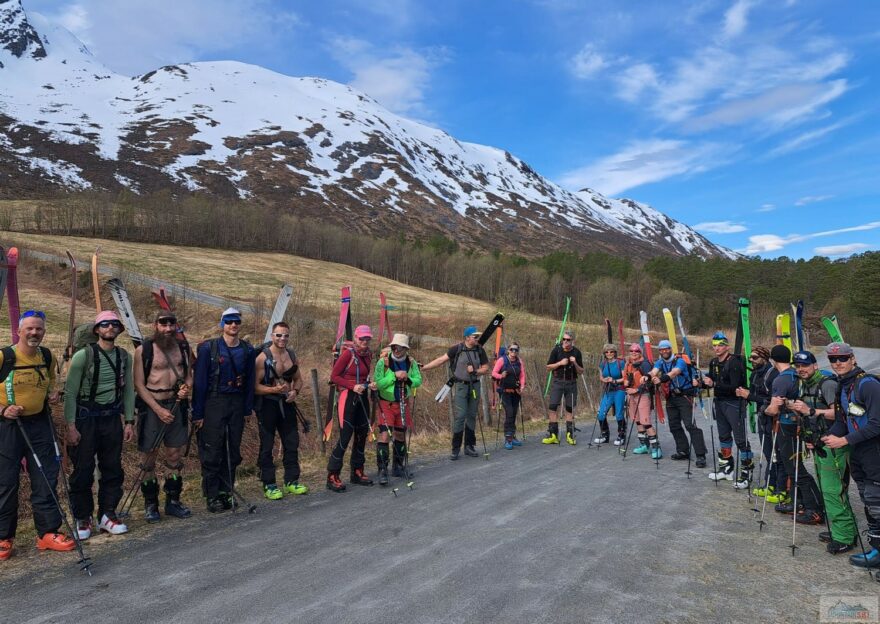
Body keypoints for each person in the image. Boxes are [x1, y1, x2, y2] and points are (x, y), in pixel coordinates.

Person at [0, 310, 75, 560]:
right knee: (6, 482)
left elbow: (50, 382)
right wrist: (3, 409)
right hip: (8, 426)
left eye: (39, 329)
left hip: (40, 423)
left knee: (46, 476)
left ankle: (47, 533)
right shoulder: (4, 357)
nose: (34, 333)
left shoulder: (46, 355)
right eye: (30, 328)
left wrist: (52, 395)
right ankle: (3, 537)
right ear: (19, 331)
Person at [64, 311, 135, 538]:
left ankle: (107, 515)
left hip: (111, 419)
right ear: (97, 329)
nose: (110, 328)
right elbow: (70, 392)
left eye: (115, 324)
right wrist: (70, 425)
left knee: (112, 468)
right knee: (83, 469)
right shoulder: (83, 356)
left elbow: (128, 391)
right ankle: (82, 518)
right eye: (105, 324)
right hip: (86, 418)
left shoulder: (124, 357)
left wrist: (129, 421)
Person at [821, 343, 880, 570]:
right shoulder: (843, 386)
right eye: (833, 359)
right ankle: (876, 550)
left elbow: (877, 424)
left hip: (874, 450)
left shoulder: (868, 384)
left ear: (852, 359)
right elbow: (842, 421)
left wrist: (844, 441)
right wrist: (825, 438)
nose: (838, 363)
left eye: (843, 358)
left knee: (877, 502)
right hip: (859, 452)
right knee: (868, 500)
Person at [790, 350, 855, 550]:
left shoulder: (827, 384)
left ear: (815, 366)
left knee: (834, 490)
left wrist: (809, 411)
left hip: (834, 444)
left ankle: (844, 538)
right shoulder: (806, 385)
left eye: (805, 365)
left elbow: (840, 413)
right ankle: (839, 530)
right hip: (819, 444)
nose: (801, 369)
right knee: (828, 489)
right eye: (798, 366)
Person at [192, 308, 255, 512]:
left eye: (236, 322)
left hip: (236, 402)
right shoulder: (208, 349)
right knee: (212, 449)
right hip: (214, 402)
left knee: (232, 450)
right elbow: (200, 382)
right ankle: (212, 495)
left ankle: (225, 492)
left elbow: (250, 381)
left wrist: (247, 409)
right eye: (228, 322)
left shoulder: (247, 350)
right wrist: (198, 413)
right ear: (222, 325)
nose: (233, 325)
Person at [132, 311, 193, 522]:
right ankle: (150, 504)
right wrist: (158, 410)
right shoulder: (144, 350)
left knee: (174, 455)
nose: (168, 328)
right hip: (152, 407)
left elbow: (188, 376)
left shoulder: (183, 348)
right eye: (163, 324)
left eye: (171, 324)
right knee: (148, 457)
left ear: (176, 326)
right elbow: (138, 384)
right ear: (155, 325)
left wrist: (186, 388)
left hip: (177, 405)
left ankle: (173, 502)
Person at [764, 345, 824, 523]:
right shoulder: (794, 375)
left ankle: (814, 508)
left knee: (795, 468)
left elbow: (773, 409)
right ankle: (798, 501)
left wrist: (765, 410)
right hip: (795, 424)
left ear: (773, 360)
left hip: (787, 426)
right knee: (793, 467)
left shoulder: (780, 379)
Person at [254, 322, 308, 500]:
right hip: (268, 405)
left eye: (285, 335)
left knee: (291, 443)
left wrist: (295, 392)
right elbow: (254, 387)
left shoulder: (291, 355)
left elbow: (298, 379)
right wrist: (273, 390)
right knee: (267, 445)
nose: (282, 339)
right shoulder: (262, 357)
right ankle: (269, 483)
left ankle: (291, 481)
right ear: (272, 336)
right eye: (278, 335)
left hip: (287, 405)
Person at [422, 325, 489, 459]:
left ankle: (469, 446)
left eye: (478, 337)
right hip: (460, 386)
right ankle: (456, 448)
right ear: (467, 337)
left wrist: (475, 371)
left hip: (474, 385)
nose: (477, 339)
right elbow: (441, 360)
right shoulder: (456, 349)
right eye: (475, 337)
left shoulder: (480, 350)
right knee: (461, 415)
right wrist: (425, 367)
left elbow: (485, 368)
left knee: (471, 415)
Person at [326, 324, 375, 490]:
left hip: (362, 397)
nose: (365, 341)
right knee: (345, 436)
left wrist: (370, 384)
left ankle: (357, 471)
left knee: (362, 435)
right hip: (348, 397)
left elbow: (364, 376)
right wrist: (352, 386)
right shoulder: (348, 354)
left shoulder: (368, 355)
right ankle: (332, 475)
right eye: (362, 338)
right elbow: (334, 376)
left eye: (368, 338)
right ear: (355, 338)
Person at [702, 332, 750, 486]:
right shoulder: (714, 362)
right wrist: (702, 383)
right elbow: (711, 380)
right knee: (723, 437)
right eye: (714, 345)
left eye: (720, 345)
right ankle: (726, 469)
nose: (717, 348)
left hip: (734, 403)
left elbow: (735, 387)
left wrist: (714, 384)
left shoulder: (734, 362)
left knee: (740, 439)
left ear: (727, 346)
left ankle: (746, 473)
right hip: (719, 402)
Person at [736, 347, 785, 500]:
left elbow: (773, 400)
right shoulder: (756, 373)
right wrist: (744, 394)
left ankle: (780, 488)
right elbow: (754, 394)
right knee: (767, 452)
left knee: (775, 454)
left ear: (764, 358)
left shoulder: (772, 374)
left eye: (755, 357)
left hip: (773, 418)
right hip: (762, 416)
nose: (752, 360)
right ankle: (769, 484)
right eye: (750, 357)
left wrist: (749, 395)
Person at [650, 339, 707, 468]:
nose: (664, 351)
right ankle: (683, 451)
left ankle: (701, 455)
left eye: (666, 349)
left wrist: (660, 379)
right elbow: (654, 371)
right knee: (674, 425)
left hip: (685, 396)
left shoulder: (679, 361)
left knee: (690, 425)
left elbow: (674, 373)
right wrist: (647, 377)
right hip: (671, 397)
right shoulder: (660, 362)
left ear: (670, 349)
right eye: (661, 350)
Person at [374, 333, 422, 484]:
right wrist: (394, 376)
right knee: (384, 435)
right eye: (394, 346)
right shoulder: (383, 362)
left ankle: (398, 467)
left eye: (400, 347)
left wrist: (407, 378)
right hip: (385, 403)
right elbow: (378, 383)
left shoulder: (411, 362)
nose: (396, 350)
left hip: (402, 402)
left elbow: (418, 381)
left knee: (400, 435)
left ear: (406, 349)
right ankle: (382, 470)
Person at [543, 331, 583, 445]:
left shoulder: (577, 352)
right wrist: (560, 363)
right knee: (552, 408)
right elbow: (548, 367)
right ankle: (553, 435)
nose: (565, 341)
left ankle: (569, 435)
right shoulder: (556, 350)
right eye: (563, 339)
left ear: (572, 341)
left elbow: (581, 371)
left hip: (571, 383)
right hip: (558, 382)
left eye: (568, 340)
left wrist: (574, 363)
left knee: (569, 409)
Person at [622, 343, 660, 459]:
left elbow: (649, 382)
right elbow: (625, 377)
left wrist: (636, 390)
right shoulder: (628, 364)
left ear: (640, 352)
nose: (634, 353)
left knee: (645, 422)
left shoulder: (645, 364)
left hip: (643, 394)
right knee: (637, 421)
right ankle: (644, 445)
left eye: (636, 351)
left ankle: (656, 447)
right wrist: (626, 383)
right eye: (631, 351)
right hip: (631, 395)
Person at [491, 342, 526, 450]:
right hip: (504, 391)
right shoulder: (502, 360)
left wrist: (522, 386)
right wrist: (501, 375)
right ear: (508, 350)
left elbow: (522, 375)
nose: (514, 352)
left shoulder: (519, 361)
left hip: (516, 391)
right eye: (512, 349)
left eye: (516, 350)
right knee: (509, 413)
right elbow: (493, 373)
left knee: (514, 413)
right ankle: (508, 438)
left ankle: (513, 435)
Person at [595, 343, 626, 445]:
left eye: (611, 351)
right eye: (607, 352)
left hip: (619, 389)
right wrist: (605, 380)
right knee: (601, 414)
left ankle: (621, 435)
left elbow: (624, 378)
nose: (609, 353)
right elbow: (601, 377)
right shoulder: (602, 364)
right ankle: (605, 435)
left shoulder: (620, 363)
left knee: (619, 414)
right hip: (608, 390)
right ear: (604, 353)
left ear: (615, 352)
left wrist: (614, 380)